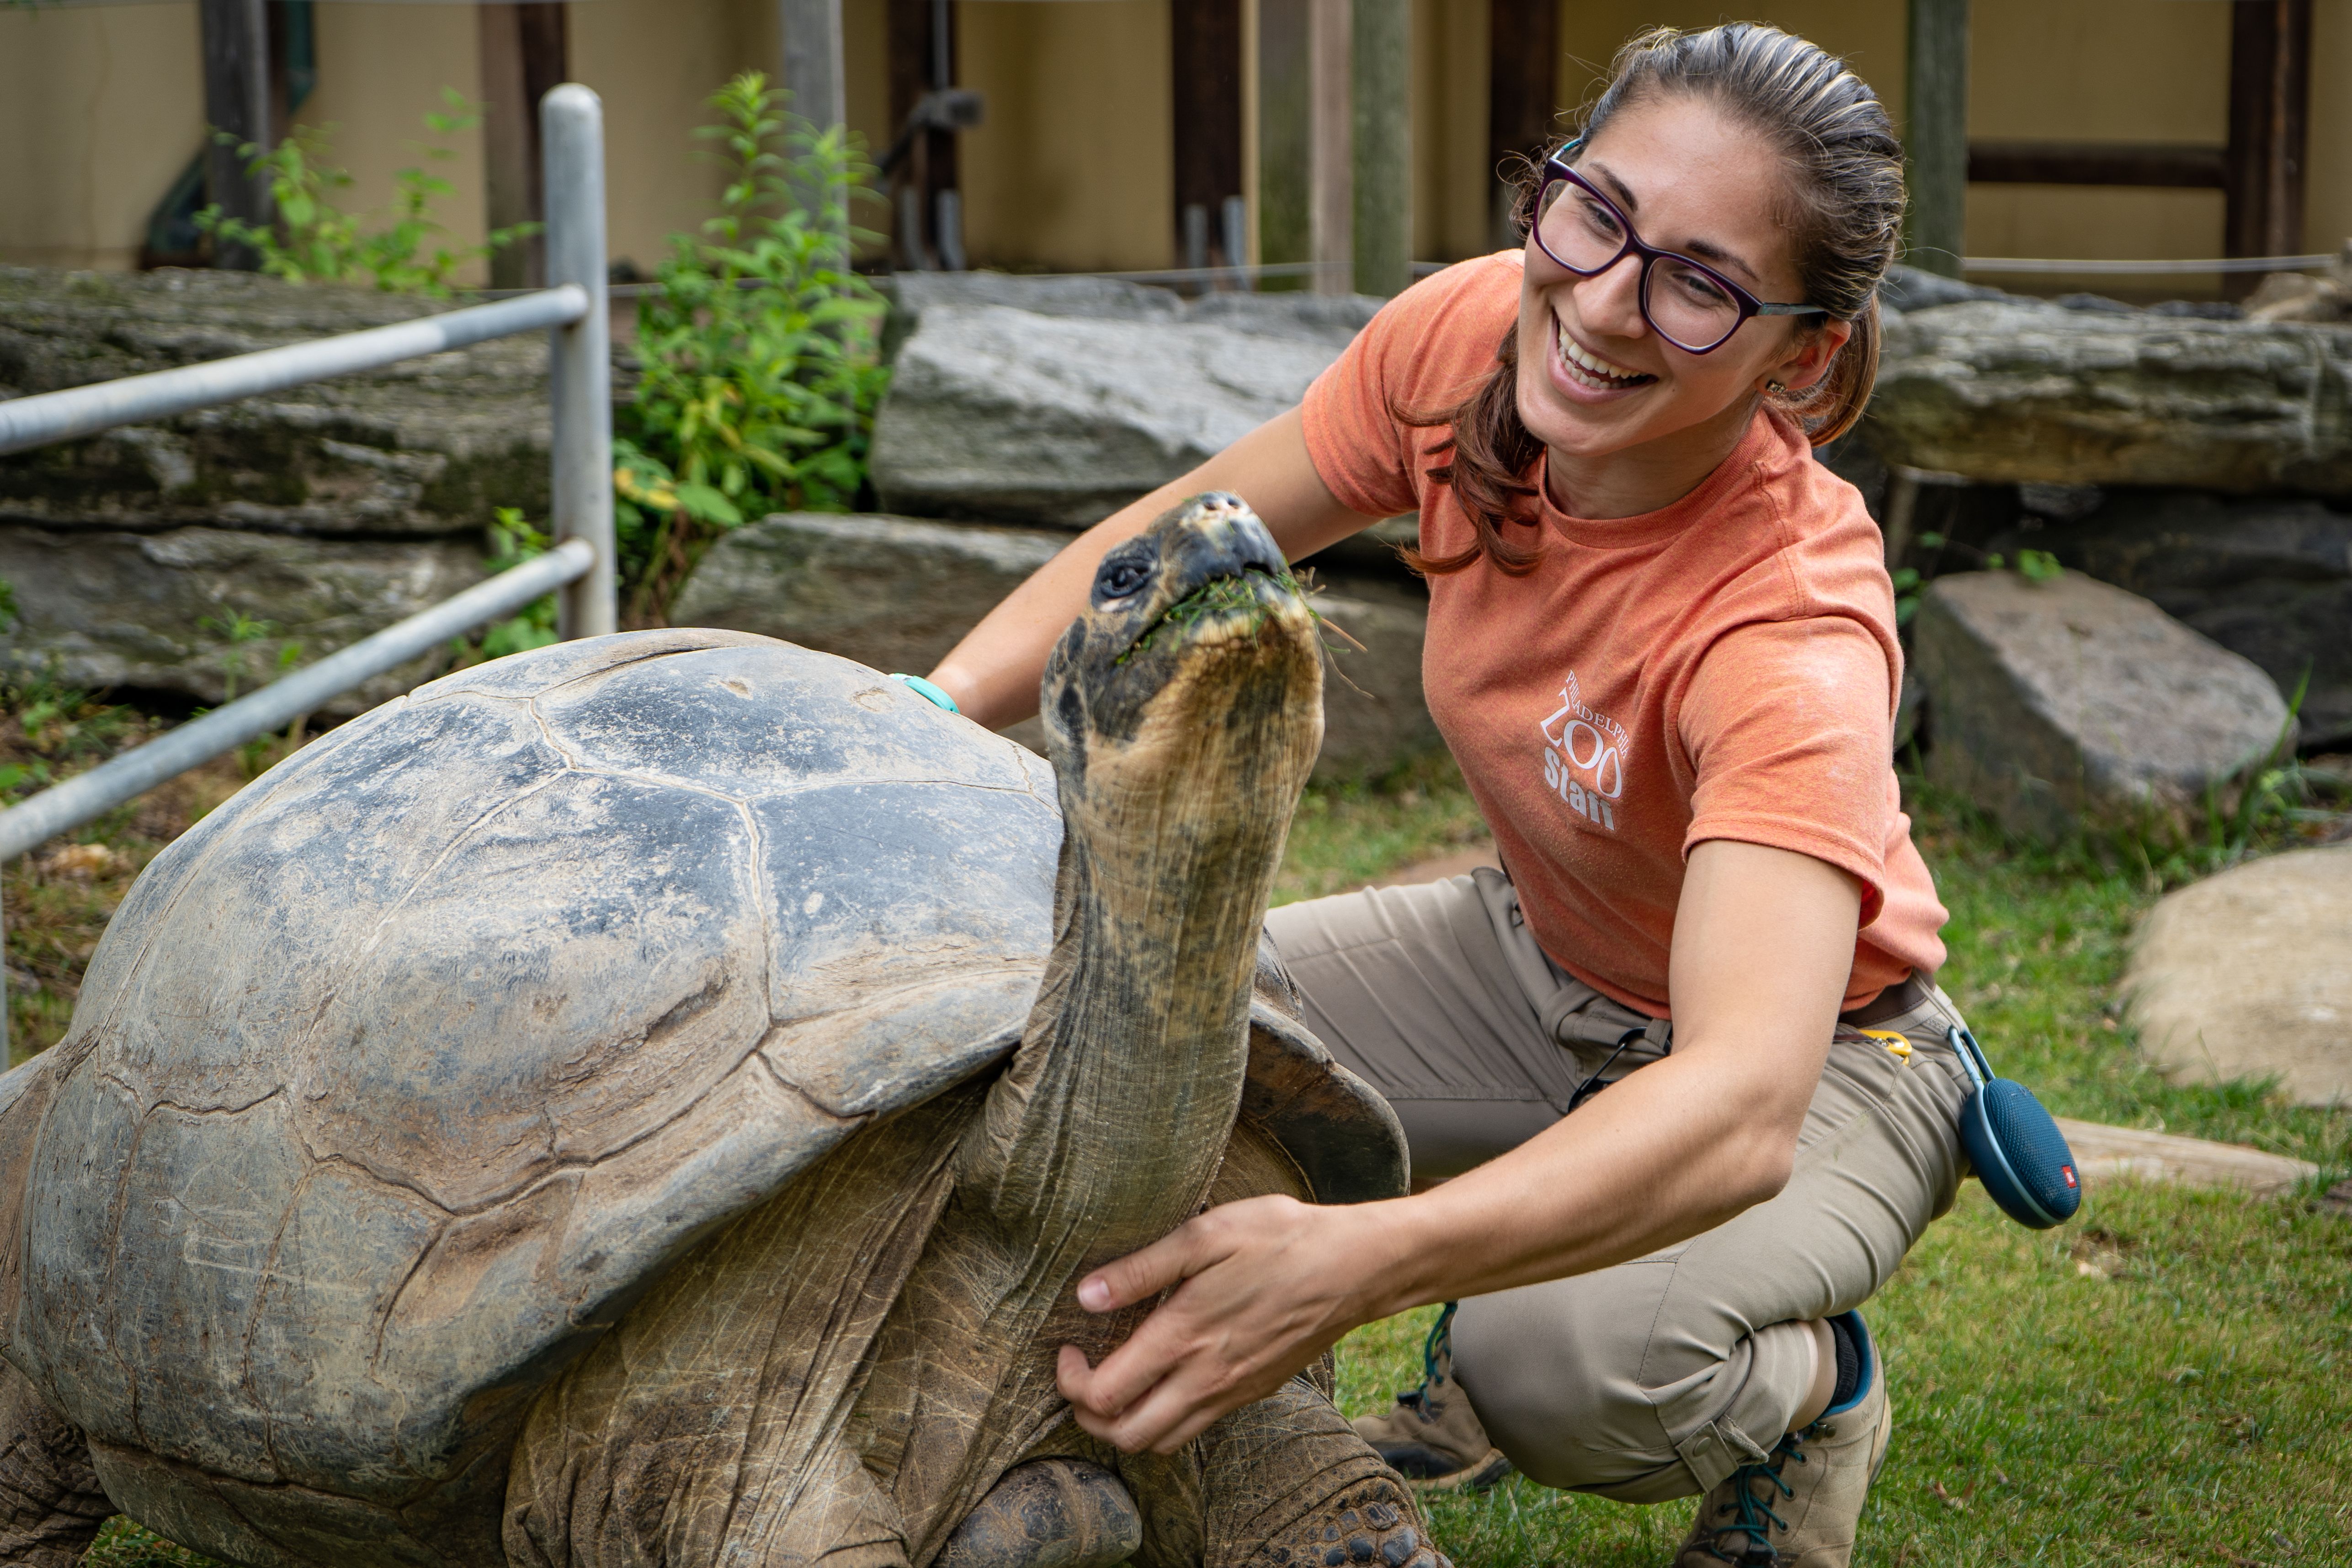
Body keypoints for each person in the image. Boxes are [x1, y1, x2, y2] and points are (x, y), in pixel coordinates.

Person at [919, 23, 1972, 1568]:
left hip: (1827, 1056)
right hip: (1532, 960)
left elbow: (1742, 1107)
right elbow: (1174, 546)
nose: (1603, 304)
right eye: (1593, 212)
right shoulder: (1472, 339)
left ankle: (1809, 1392)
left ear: (1799, 352)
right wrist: (923, 710)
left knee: (1562, 1368)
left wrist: (1362, 1261)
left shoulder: (1788, 630)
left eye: (1697, 281)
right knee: (1100, 1052)